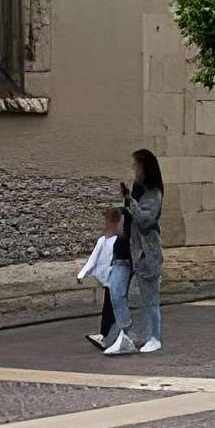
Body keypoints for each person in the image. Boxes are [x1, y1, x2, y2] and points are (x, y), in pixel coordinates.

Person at [101, 150, 164, 358]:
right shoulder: (136, 188)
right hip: (125, 245)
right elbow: (128, 216)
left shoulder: (155, 193)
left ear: (145, 168)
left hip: (145, 251)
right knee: (116, 289)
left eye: (136, 165)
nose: (133, 169)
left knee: (149, 298)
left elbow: (146, 220)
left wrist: (131, 203)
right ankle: (125, 334)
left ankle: (154, 337)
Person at [77, 207, 122, 350]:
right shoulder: (103, 241)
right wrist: (82, 273)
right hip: (110, 280)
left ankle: (109, 336)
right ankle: (108, 336)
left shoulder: (121, 240)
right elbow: (93, 259)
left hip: (117, 279)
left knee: (112, 308)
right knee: (111, 308)